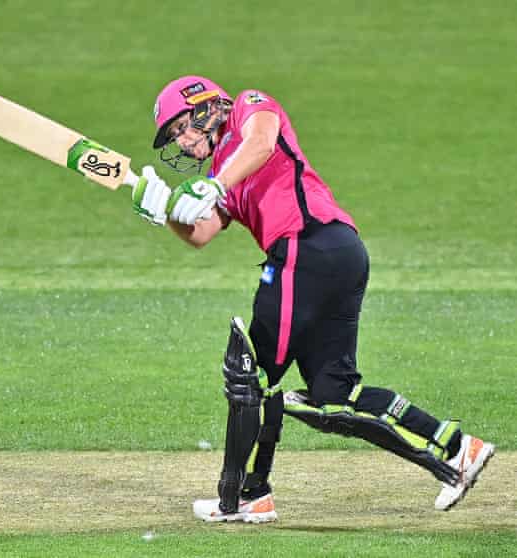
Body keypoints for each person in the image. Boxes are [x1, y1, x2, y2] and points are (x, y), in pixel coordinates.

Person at [131, 75, 495, 523]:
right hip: (332, 256)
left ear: (205, 107)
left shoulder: (250, 106)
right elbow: (202, 232)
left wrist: (217, 185)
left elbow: (262, 142)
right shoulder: (217, 175)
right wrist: (164, 209)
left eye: (181, 129)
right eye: (174, 139)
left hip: (308, 245)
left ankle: (245, 496)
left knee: (252, 376)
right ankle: (458, 449)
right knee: (335, 393)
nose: (182, 144)